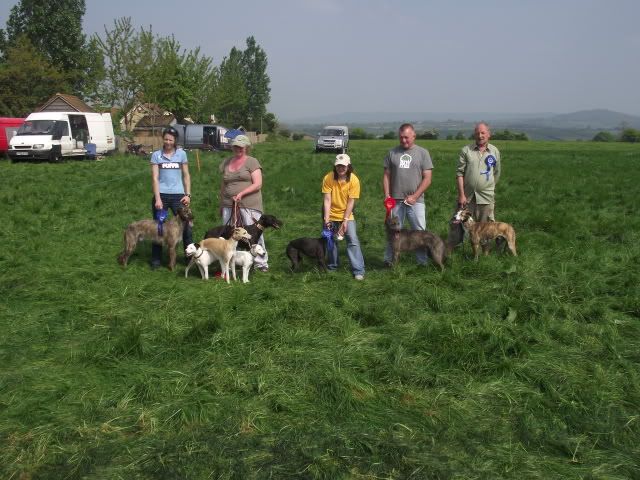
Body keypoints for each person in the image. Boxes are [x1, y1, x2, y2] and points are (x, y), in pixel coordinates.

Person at [382, 123, 434, 266]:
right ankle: (389, 261)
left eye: (406, 137)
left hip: (416, 201)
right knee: (392, 232)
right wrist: (387, 195)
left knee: (419, 233)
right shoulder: (392, 153)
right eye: (401, 137)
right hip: (395, 200)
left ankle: (422, 263)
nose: (403, 140)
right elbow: (386, 175)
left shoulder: (423, 153)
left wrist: (415, 196)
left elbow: (428, 178)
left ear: (414, 136)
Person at [219, 134, 269, 271]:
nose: (238, 149)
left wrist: (241, 194)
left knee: (253, 234)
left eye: (241, 146)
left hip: (249, 205)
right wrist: (221, 204)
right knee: (230, 234)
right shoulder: (226, 162)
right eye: (235, 146)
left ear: (246, 147)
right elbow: (223, 186)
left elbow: (258, 184)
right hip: (229, 204)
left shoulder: (252, 162)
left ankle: (261, 262)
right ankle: (231, 262)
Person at [150, 126, 192, 269]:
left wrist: (187, 195)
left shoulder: (181, 155)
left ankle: (189, 258)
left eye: (170, 139)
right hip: (161, 195)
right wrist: (157, 199)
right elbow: (155, 178)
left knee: (186, 229)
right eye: (166, 139)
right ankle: (156, 260)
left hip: (178, 198)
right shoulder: (156, 155)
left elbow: (186, 175)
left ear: (175, 141)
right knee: (159, 228)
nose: (168, 142)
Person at [322, 153, 365, 280]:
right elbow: (327, 200)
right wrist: (326, 219)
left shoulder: (354, 180)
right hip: (331, 213)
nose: (341, 169)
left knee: (352, 240)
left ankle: (358, 270)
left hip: (347, 214)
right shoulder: (328, 178)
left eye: (343, 166)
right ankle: (332, 266)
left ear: (349, 166)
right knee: (330, 241)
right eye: (338, 166)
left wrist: (345, 220)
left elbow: (351, 201)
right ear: (335, 166)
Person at [456, 122, 501, 222]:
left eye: (483, 133)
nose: (480, 136)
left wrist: (487, 186)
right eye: (477, 133)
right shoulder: (466, 150)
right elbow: (459, 174)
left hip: (486, 197)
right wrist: (461, 195)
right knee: (460, 226)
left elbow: (496, 173)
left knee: (486, 229)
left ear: (489, 134)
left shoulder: (495, 151)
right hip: (467, 197)